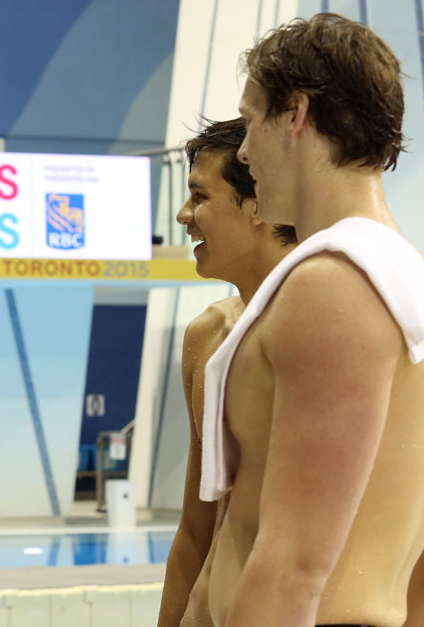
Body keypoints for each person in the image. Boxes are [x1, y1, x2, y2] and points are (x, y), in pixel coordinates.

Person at [194, 13, 424, 627]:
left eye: (249, 122)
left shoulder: (334, 288)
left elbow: (293, 569)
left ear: (296, 114)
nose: (242, 151)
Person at [157, 117, 296, 627]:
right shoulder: (208, 334)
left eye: (199, 196)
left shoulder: (326, 336)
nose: (183, 215)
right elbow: (197, 529)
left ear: (258, 208)